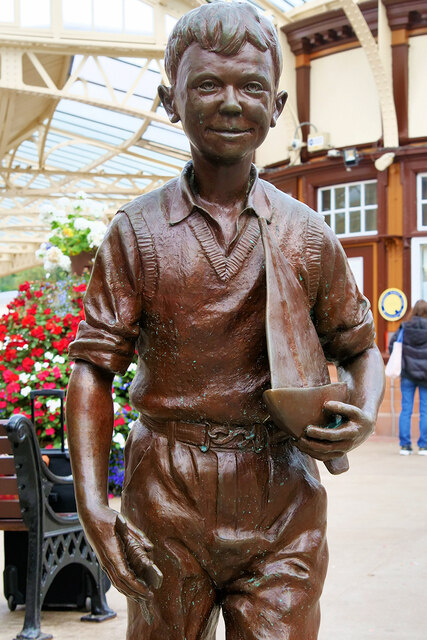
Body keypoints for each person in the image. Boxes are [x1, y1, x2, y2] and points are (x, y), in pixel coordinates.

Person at [66, 3, 385, 639]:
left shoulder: (308, 235)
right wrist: (94, 504)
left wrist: (364, 413)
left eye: (252, 87)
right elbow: (93, 368)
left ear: (280, 103)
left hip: (281, 499)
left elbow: (359, 348)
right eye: (208, 84)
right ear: (169, 99)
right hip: (166, 494)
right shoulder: (137, 233)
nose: (232, 102)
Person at [389, 300, 427, 455]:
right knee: (425, 410)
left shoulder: (405, 327)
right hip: (426, 375)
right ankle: (424, 446)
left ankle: (405, 446)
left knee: (406, 409)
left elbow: (392, 346)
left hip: (407, 374)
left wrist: (404, 362)